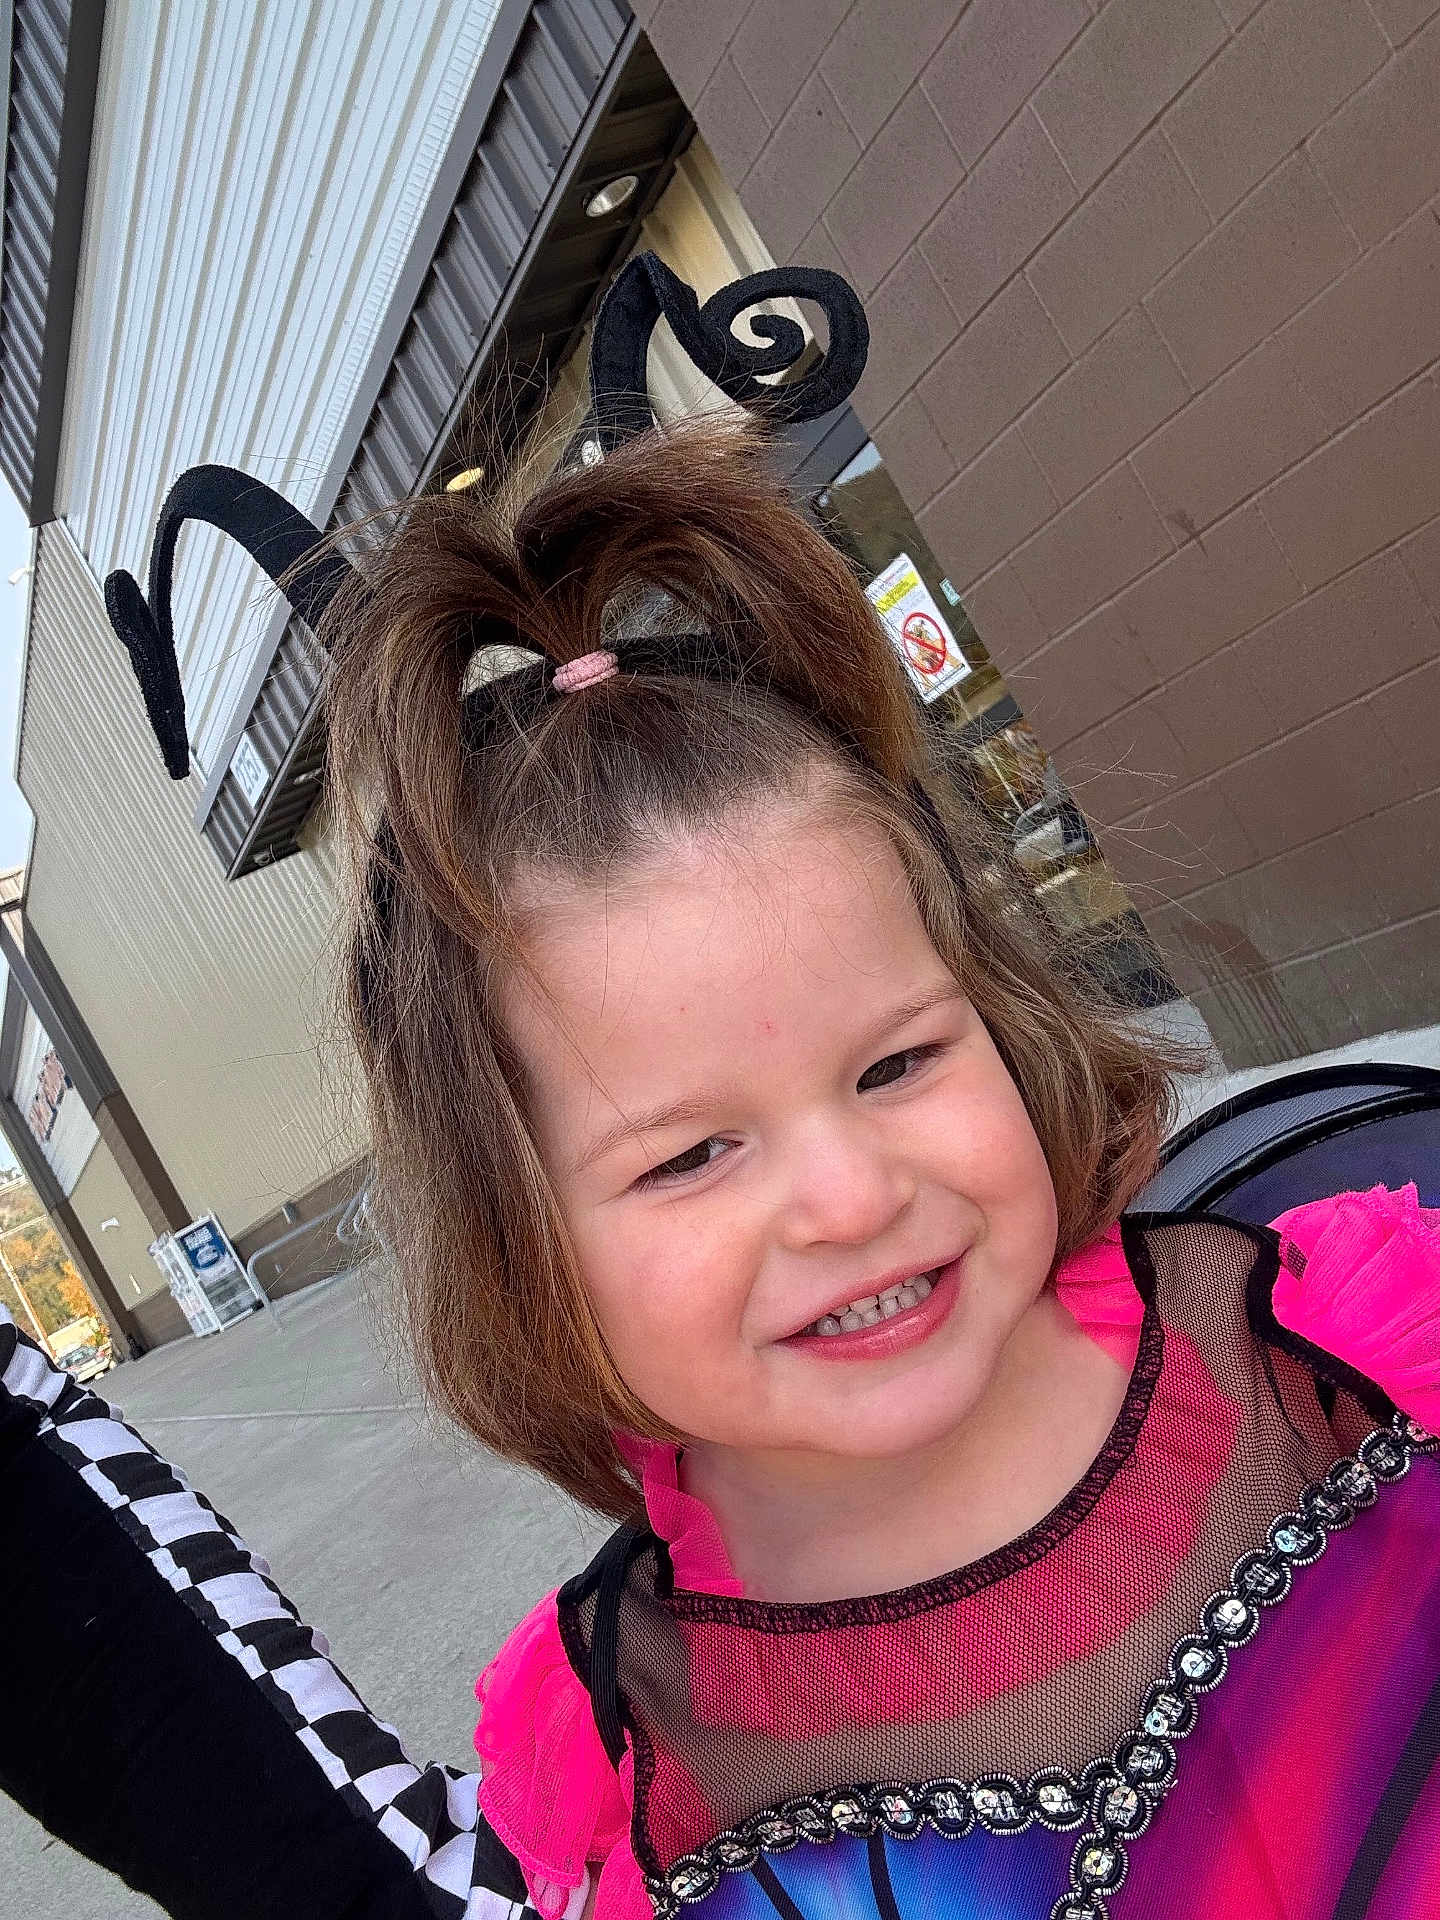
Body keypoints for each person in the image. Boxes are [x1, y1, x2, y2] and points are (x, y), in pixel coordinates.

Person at [5, 255, 1440, 1920]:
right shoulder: (614, 1758)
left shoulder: (1358, 1345)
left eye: (899, 1061)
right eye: (689, 1157)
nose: (849, 1195)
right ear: (512, 1229)